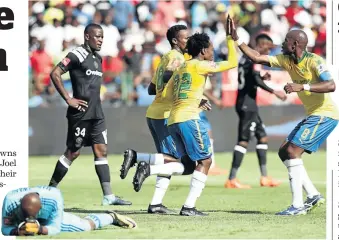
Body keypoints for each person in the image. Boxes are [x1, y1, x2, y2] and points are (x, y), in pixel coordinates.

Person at [132, 15, 238, 216]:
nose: (213, 52)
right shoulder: (200, 65)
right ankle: (188, 207)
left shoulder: (181, 67)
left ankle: (149, 169)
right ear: (204, 51)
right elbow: (232, 62)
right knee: (205, 161)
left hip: (172, 118)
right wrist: (231, 39)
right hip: (189, 117)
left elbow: (165, 91)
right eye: (211, 49)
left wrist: (195, 97)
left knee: (186, 164)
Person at [233, 19, 339, 215]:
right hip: (314, 114)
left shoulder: (314, 61)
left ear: (295, 44)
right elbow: (256, 57)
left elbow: (331, 85)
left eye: (285, 41)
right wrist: (237, 39)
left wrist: (303, 86)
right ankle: (313, 195)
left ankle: (297, 206)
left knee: (292, 151)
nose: (281, 44)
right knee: (284, 151)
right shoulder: (286, 60)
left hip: (325, 115)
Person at [48, 23, 131, 206]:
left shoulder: (97, 58)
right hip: (80, 113)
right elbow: (55, 73)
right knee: (73, 152)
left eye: (102, 37)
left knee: (101, 151)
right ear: (87, 36)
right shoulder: (77, 54)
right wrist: (68, 98)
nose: (101, 40)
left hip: (97, 113)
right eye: (97, 36)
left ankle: (108, 196)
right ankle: (50, 189)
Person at [120, 25, 190, 214]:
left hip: (155, 112)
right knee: (176, 160)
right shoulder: (176, 58)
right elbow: (168, 74)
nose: (188, 41)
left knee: (167, 162)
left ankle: (155, 204)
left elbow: (152, 88)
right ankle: (137, 157)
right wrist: (179, 82)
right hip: (165, 115)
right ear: (175, 41)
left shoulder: (164, 57)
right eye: (185, 38)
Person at [225, 33, 287, 189]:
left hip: (247, 103)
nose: (269, 52)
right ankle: (231, 179)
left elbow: (252, 77)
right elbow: (255, 79)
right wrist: (275, 91)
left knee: (262, 137)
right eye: (269, 47)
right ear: (263, 44)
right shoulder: (255, 57)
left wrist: (260, 76)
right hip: (247, 105)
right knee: (243, 140)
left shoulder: (246, 58)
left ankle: (265, 177)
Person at [1, 186, 136, 236]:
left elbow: (55, 227)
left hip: (48, 217)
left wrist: (40, 229)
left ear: (41, 207)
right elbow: (5, 229)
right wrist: (18, 231)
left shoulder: (54, 197)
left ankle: (110, 217)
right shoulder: (10, 201)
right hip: (20, 217)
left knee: (85, 226)